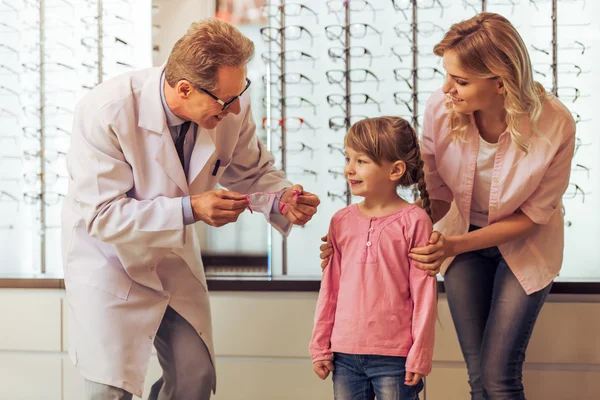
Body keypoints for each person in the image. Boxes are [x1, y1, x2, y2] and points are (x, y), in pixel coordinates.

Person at [320, 13, 576, 400]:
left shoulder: (555, 123)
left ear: (501, 81)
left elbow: (533, 216)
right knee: (477, 377)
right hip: (459, 235)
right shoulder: (441, 109)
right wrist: (359, 238)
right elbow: (435, 197)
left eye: (460, 81)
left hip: (525, 246)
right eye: (447, 76)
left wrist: (452, 246)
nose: (447, 89)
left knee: (499, 376)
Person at [62, 18, 320, 400]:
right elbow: (103, 216)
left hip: (170, 258)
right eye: (225, 102)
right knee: (109, 391)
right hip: (108, 260)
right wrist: (190, 209)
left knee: (194, 377)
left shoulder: (230, 102)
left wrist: (283, 197)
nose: (234, 110)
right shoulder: (106, 111)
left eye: (238, 94)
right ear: (184, 89)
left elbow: (252, 169)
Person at [310, 117, 437, 400]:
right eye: (348, 158)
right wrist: (320, 344)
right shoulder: (340, 221)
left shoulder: (415, 221)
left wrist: (420, 353)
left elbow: (424, 294)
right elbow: (329, 289)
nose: (350, 169)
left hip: (395, 358)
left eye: (362, 161)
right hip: (344, 355)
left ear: (395, 170)